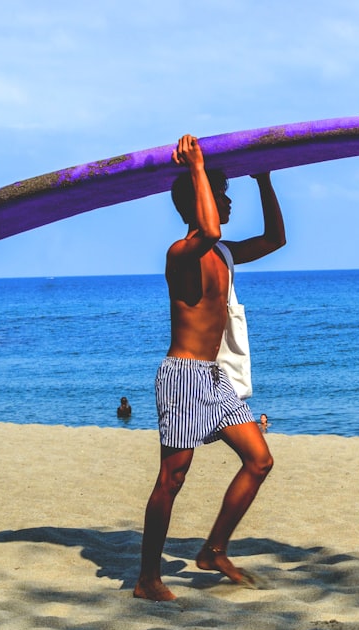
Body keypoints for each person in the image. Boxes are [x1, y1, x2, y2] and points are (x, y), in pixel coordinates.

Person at [134, 134, 286, 602]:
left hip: (214, 377)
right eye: (223, 196)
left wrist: (263, 180)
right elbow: (210, 231)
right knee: (172, 479)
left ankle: (213, 550)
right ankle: (147, 579)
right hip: (182, 378)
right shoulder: (181, 254)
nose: (228, 202)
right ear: (199, 203)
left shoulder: (222, 253)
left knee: (259, 460)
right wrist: (197, 166)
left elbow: (277, 239)